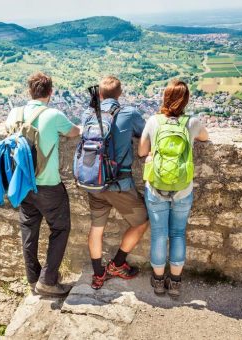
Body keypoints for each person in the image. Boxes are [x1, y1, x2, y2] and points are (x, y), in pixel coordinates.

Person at [5, 72, 81, 297]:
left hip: (23, 184)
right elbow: (75, 132)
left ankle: (33, 278)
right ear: (50, 92)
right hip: (48, 186)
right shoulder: (54, 115)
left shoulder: (14, 113)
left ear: (30, 91)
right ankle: (47, 280)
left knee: (29, 230)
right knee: (60, 228)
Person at [138, 79, 209, 298]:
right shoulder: (192, 122)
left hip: (157, 187)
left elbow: (141, 151)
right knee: (178, 233)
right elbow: (205, 138)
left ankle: (159, 282)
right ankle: (175, 282)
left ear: (165, 98)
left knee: (159, 235)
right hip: (183, 189)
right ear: (186, 100)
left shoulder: (154, 121)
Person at [86, 76, 149, 290]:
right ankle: (118, 264)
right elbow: (147, 134)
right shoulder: (129, 113)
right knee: (141, 221)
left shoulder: (89, 113)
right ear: (120, 94)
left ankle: (97, 275)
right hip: (118, 185)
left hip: (94, 182)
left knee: (96, 228)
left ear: (100, 94)